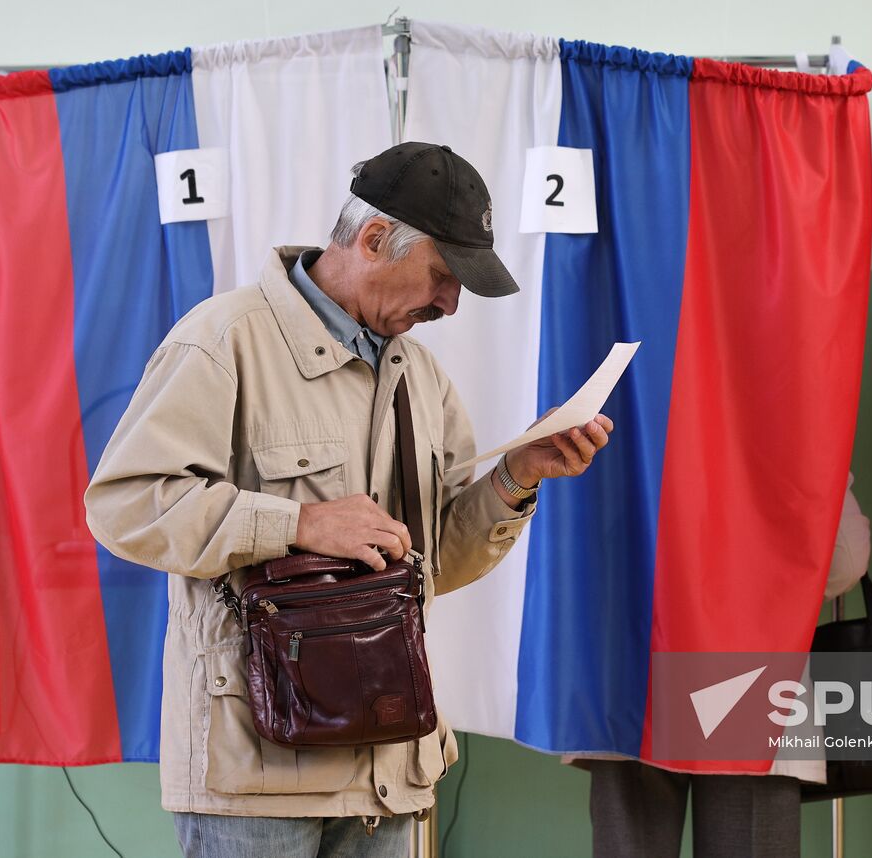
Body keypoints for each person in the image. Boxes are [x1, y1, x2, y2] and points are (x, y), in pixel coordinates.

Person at [84, 143, 613, 858]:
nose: (451, 304)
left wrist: (516, 478)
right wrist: (297, 524)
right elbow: (126, 506)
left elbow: (433, 566)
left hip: (388, 775)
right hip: (257, 784)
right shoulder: (221, 342)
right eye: (444, 275)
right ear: (372, 240)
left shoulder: (422, 380)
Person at [587, 474, 870, 858]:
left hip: (634, 670)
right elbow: (846, 559)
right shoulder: (795, 419)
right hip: (754, 678)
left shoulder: (623, 415)